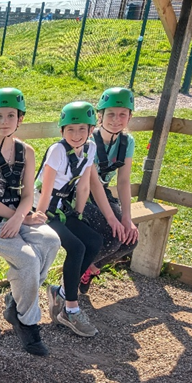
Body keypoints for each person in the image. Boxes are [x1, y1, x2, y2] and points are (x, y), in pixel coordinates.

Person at [0, 88, 60, 356]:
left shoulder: (27, 151)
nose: (5, 121)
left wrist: (20, 217)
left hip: (18, 213)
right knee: (29, 260)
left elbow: (29, 193)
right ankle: (27, 322)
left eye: (11, 115)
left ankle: (18, 300)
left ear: (20, 119)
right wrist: (16, 218)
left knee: (51, 241)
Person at [35, 102, 104, 337]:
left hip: (63, 208)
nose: (76, 135)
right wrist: (39, 216)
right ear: (62, 130)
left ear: (91, 130)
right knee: (76, 247)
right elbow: (45, 190)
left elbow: (84, 185)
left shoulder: (90, 148)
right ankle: (70, 309)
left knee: (93, 241)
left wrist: (79, 214)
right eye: (70, 129)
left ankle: (63, 293)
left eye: (82, 129)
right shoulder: (57, 150)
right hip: (43, 207)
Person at [80, 87, 140, 292]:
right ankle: (72, 275)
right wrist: (114, 218)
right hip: (79, 194)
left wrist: (127, 218)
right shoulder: (88, 141)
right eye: (110, 114)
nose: (116, 119)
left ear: (130, 116)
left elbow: (123, 181)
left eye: (122, 114)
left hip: (102, 193)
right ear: (100, 116)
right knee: (112, 236)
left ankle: (90, 267)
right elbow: (93, 183)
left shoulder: (127, 141)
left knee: (130, 239)